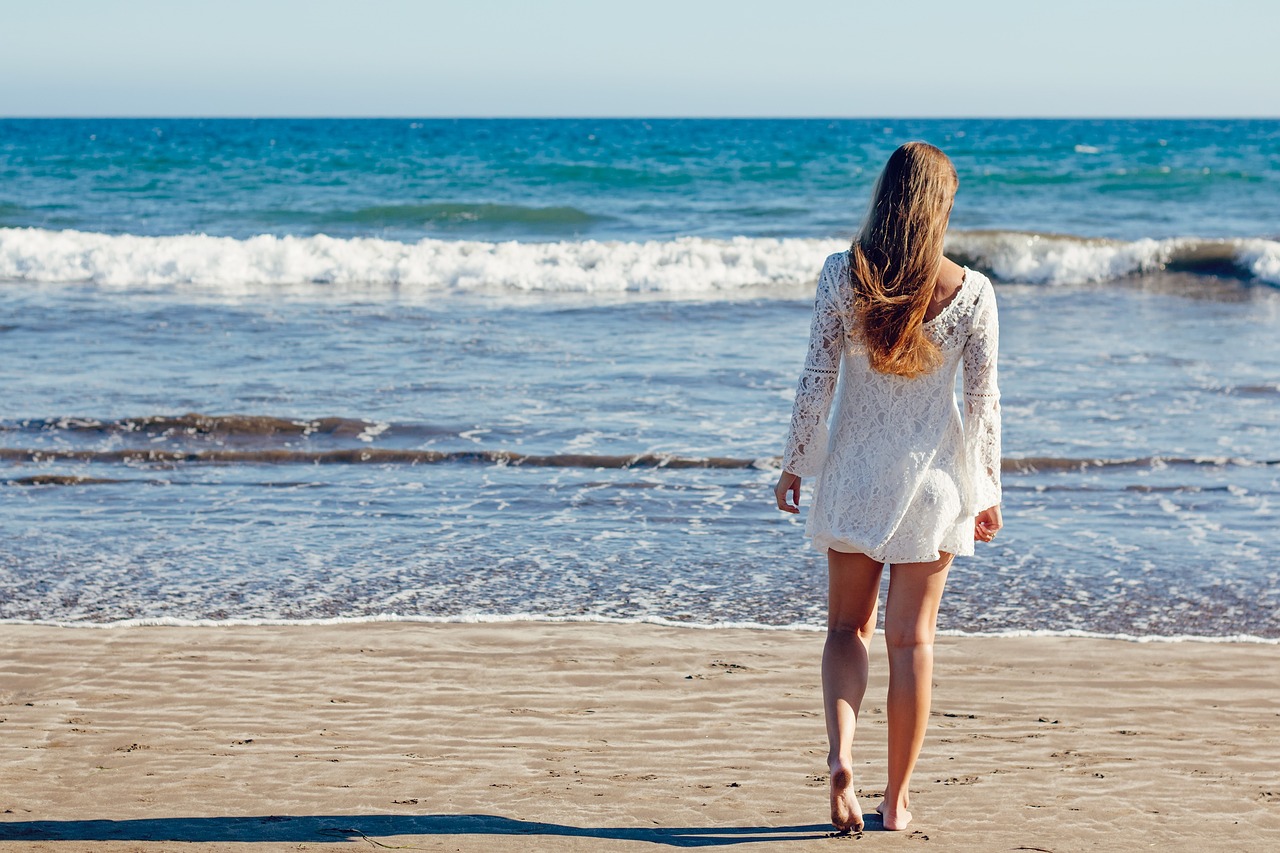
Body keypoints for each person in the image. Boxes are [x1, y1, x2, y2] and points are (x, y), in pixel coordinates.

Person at [773, 141, 1002, 833]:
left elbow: (818, 377)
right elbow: (984, 402)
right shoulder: (973, 292)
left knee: (847, 628)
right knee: (912, 641)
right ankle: (896, 799)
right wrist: (985, 487)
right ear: (941, 208)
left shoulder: (844, 275)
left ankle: (842, 757)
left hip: (852, 475)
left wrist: (794, 462)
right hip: (933, 484)